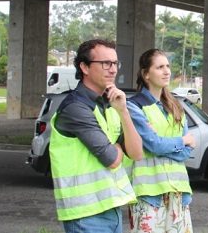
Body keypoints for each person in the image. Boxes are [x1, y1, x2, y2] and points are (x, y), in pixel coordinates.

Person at [49, 39, 143, 233]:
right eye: (105, 63)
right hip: (86, 214)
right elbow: (113, 159)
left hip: (112, 206)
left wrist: (124, 111)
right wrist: (117, 148)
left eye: (115, 63)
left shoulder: (109, 105)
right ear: (84, 67)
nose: (113, 69)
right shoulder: (76, 108)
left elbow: (136, 153)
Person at [125, 48, 196, 233]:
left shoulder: (176, 106)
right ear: (146, 74)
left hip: (178, 192)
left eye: (167, 66)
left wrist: (164, 143)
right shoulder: (134, 106)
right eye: (160, 67)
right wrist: (181, 141)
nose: (167, 71)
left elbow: (188, 151)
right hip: (149, 195)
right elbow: (154, 145)